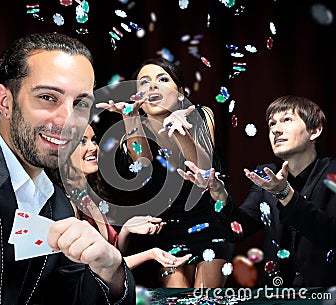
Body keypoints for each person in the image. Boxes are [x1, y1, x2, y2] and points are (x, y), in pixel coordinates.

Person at [0, 32, 135, 304]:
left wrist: (112, 270)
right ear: (5, 101)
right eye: (48, 97)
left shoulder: (60, 205)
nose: (68, 120)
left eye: (81, 104)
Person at [96, 58, 234, 288]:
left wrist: (179, 131)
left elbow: (201, 169)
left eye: (162, 79)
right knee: (176, 297)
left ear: (180, 93)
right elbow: (144, 166)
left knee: (204, 299)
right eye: (144, 82)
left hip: (211, 224)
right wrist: (129, 118)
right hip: (169, 231)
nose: (152, 86)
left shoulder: (200, 115)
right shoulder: (131, 131)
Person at [179, 95, 336, 287]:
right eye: (271, 124)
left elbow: (329, 234)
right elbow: (236, 230)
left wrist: (284, 193)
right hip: (275, 294)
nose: (276, 130)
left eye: (287, 120)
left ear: (315, 130)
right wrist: (218, 193)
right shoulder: (266, 175)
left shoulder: (332, 173)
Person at [53, 123, 193, 270]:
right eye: (82, 142)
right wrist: (150, 255)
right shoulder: (65, 205)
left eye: (94, 140)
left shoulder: (91, 197)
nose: (94, 147)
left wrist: (127, 228)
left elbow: (114, 254)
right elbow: (97, 272)